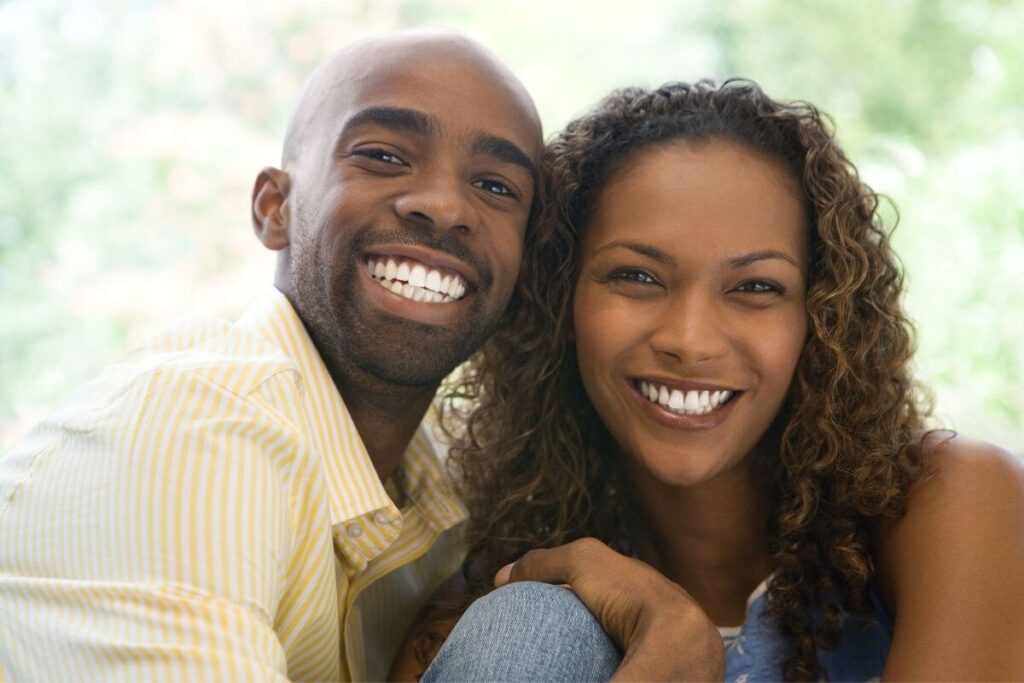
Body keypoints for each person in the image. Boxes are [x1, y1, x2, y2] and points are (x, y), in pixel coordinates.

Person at [392, 80, 1024, 681]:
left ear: (823, 315)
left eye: (755, 287)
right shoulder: (494, 607)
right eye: (637, 277)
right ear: (561, 301)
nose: (689, 341)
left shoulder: (949, 501)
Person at [0, 30, 544, 680]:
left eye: (496, 186)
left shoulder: (437, 483)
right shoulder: (189, 431)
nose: (445, 206)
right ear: (273, 207)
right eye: (383, 155)